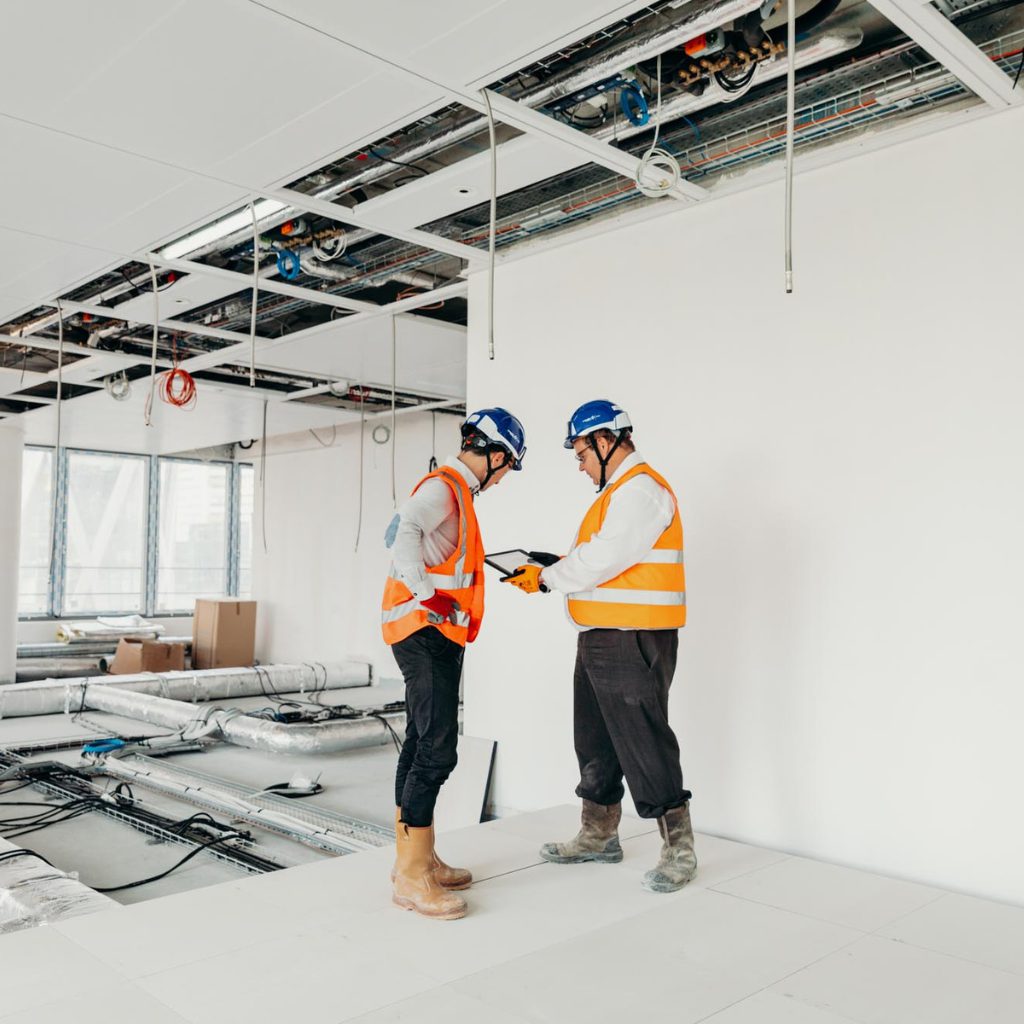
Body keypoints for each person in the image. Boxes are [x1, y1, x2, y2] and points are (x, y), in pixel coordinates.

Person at [502, 400, 695, 893]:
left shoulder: (641, 489)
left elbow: (608, 555)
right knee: (594, 739)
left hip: (633, 638)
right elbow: (607, 561)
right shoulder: (619, 493)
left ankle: (679, 848)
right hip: (602, 636)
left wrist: (547, 577)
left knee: (643, 740)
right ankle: (598, 833)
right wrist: (555, 563)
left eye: (582, 453)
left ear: (605, 441)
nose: (581, 464)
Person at [382, 407, 526, 919]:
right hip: (424, 632)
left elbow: (411, 538)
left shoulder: (455, 491)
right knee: (438, 749)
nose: (505, 476)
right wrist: (428, 596)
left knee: (423, 739)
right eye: (508, 465)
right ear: (495, 454)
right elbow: (401, 536)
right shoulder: (446, 486)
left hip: (434, 634)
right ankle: (411, 876)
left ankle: (418, 857)